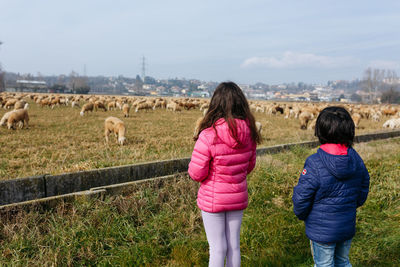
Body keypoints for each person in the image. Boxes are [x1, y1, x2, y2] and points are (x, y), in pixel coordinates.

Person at [188, 82, 261, 267]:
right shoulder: (250, 133)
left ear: (216, 104)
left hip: (213, 198)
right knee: (233, 246)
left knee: (218, 248)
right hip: (237, 196)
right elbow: (249, 166)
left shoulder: (208, 135)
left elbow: (196, 173)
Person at [292, 106, 370, 267]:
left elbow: (302, 196)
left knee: (324, 264)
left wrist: (302, 214)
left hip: (321, 230)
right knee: (343, 261)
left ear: (320, 131)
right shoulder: (355, 158)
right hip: (346, 224)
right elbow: (364, 185)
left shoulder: (314, 162)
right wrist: (352, 205)